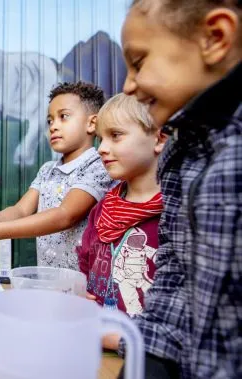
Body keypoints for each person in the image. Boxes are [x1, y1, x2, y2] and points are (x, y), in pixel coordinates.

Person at [116, 1, 242, 377]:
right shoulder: (181, 149)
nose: (127, 85)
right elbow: (175, 271)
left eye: (138, 62)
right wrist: (149, 359)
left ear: (214, 37)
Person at [0, 82, 115, 270]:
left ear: (91, 123)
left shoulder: (98, 166)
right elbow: (20, 211)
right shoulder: (47, 170)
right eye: (50, 120)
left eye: (63, 117)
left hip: (85, 284)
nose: (53, 126)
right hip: (51, 281)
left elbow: (65, 215)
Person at [77, 93, 165, 317]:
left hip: (146, 346)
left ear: (159, 139)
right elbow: (86, 259)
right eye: (100, 139)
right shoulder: (103, 208)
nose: (101, 149)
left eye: (115, 136)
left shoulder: (175, 214)